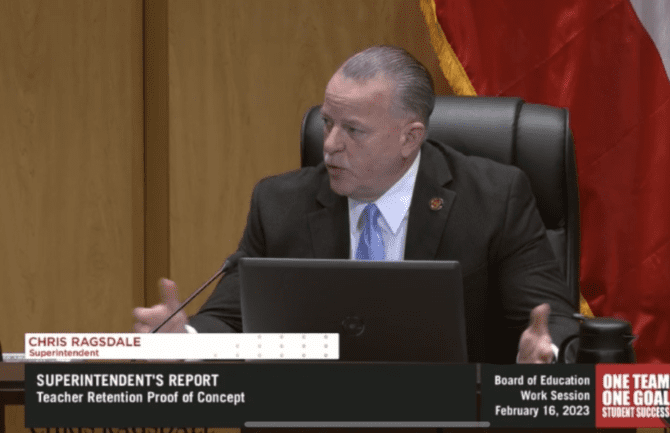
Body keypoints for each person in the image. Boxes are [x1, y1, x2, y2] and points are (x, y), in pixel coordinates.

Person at [134, 46, 578, 364]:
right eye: (327, 123)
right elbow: (229, 319)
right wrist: (186, 337)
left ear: (410, 137)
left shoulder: (495, 198)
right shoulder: (279, 203)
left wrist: (546, 351)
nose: (329, 145)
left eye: (353, 130)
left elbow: (550, 319)